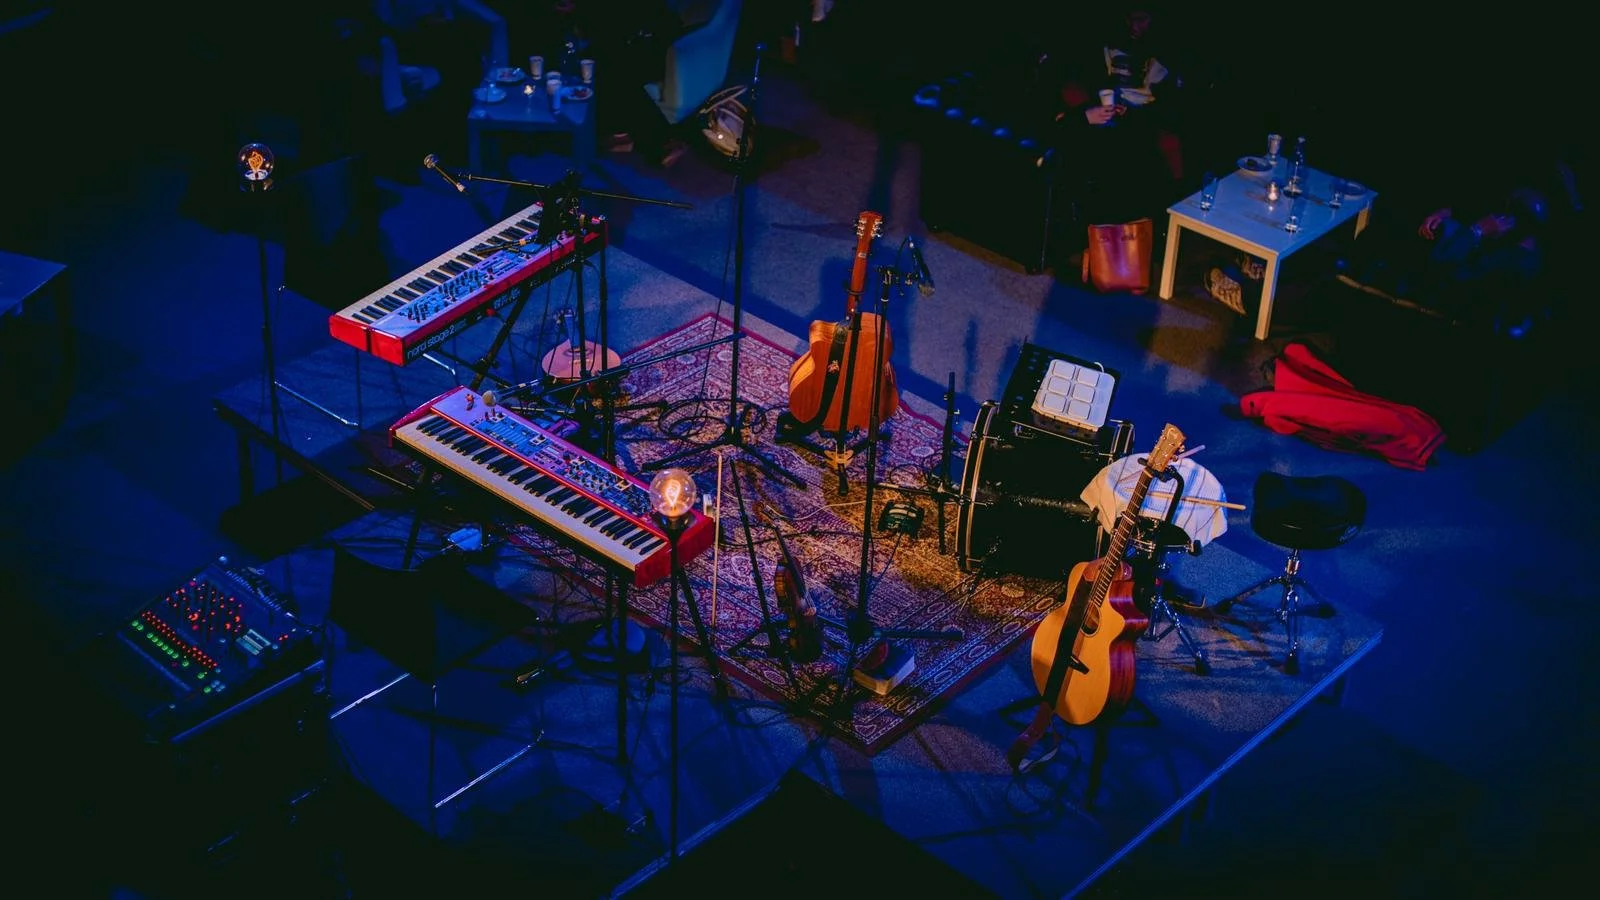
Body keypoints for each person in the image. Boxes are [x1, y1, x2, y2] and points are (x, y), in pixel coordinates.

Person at [1052, 2, 1195, 222]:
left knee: (1137, 143)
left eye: (1142, 19)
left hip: (1143, 115)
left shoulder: (1164, 54)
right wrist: (1098, 104)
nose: (1134, 25)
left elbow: (1171, 106)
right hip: (1107, 110)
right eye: (1131, 18)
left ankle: (1142, 218)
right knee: (1107, 140)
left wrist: (1134, 112)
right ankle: (1108, 217)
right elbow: (1086, 82)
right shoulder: (1107, 45)